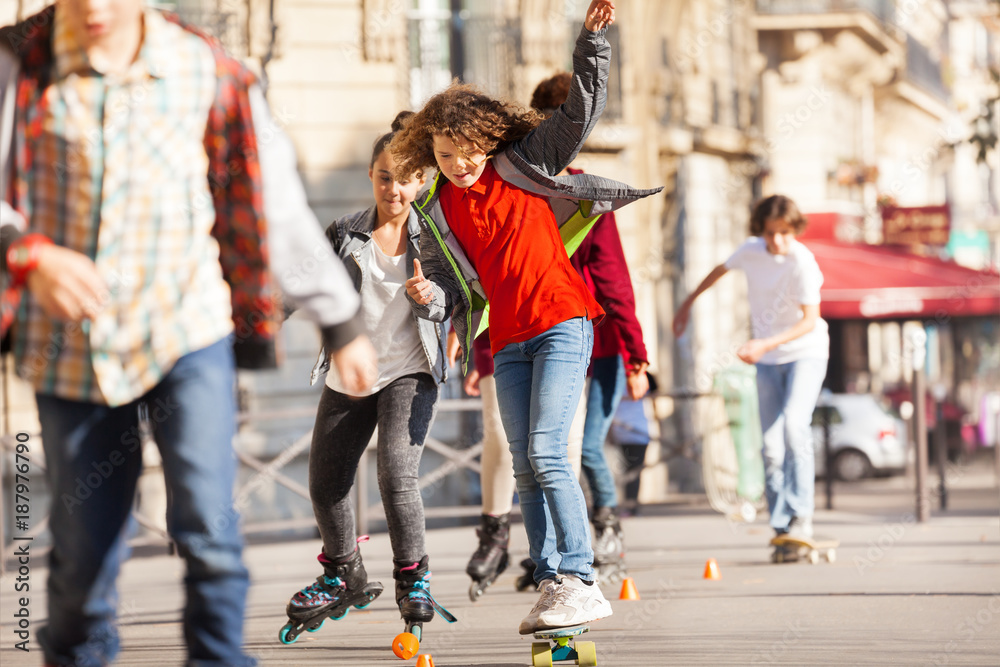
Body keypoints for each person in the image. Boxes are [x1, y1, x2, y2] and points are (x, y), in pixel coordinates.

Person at [0, 1, 376, 665]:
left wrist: (340, 319)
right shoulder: (18, 65)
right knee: (85, 556)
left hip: (187, 331)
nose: (94, 8)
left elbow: (273, 201)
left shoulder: (206, 68)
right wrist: (25, 252)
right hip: (73, 347)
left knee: (208, 528)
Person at [393, 0, 662, 635]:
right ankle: (549, 580)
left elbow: (580, 112)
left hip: (564, 322)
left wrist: (591, 45)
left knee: (547, 450)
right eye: (446, 152)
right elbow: (452, 289)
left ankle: (581, 577)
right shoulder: (436, 209)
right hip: (508, 340)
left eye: (467, 150)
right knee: (522, 462)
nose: (459, 163)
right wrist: (430, 299)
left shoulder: (525, 161)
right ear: (431, 151)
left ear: (486, 140)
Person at [279, 113, 455, 645]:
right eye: (383, 176)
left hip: (410, 371)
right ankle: (343, 573)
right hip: (351, 369)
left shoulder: (436, 241)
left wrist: (432, 300)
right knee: (326, 483)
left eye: (404, 178)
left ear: (421, 181)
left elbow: (451, 303)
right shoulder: (345, 233)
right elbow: (304, 285)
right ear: (371, 177)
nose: (393, 189)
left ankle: (413, 578)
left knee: (395, 476)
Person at [672, 194, 829, 550]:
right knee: (771, 447)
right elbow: (719, 270)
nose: (778, 241)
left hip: (806, 353)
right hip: (769, 360)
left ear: (795, 230)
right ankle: (780, 524)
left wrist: (763, 345)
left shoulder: (802, 262)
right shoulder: (750, 250)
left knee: (793, 425)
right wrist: (687, 304)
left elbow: (810, 320)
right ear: (761, 231)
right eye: (772, 233)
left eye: (786, 233)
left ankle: (802, 516)